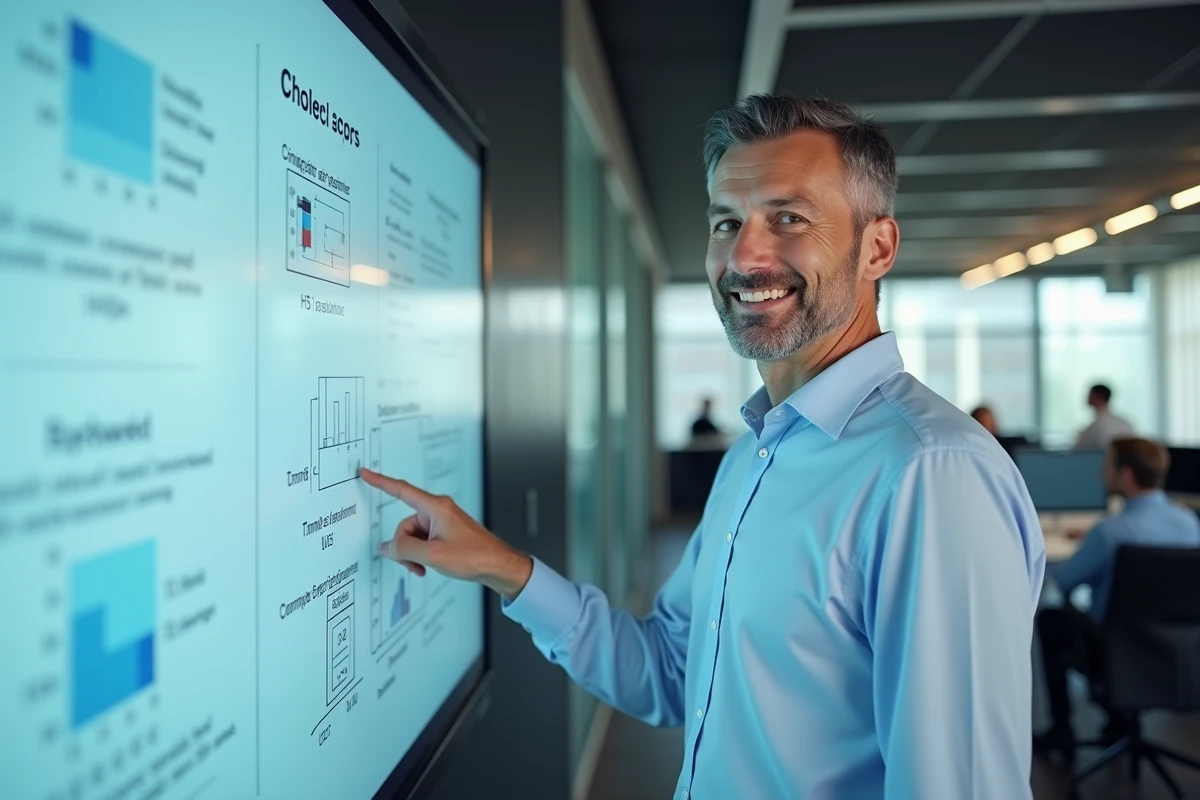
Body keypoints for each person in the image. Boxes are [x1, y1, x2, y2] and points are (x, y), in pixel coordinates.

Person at [361, 94, 1045, 798]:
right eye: (727, 222)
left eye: (788, 218)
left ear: (877, 248)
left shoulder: (930, 475)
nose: (744, 255)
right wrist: (505, 569)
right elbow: (666, 671)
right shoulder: (755, 457)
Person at [1034, 437, 1200, 760]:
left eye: (1106, 466)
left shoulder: (1110, 532)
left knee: (1050, 619)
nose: (1101, 472)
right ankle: (1117, 722)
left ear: (1125, 475)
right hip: (1178, 655)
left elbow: (1064, 582)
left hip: (1115, 655)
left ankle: (1062, 731)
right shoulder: (1190, 524)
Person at [1075, 383, 1134, 450]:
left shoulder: (1096, 426)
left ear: (1096, 396)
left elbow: (1079, 448)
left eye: (1089, 394)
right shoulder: (1125, 423)